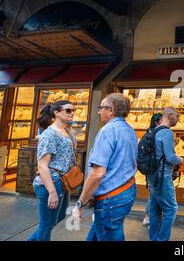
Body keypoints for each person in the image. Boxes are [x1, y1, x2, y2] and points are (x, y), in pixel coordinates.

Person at [72, 93, 138, 241]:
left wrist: (80, 203)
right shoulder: (129, 130)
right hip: (126, 191)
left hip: (111, 198)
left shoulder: (107, 131)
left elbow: (97, 174)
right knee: (99, 233)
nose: (99, 111)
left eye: (101, 107)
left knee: (110, 233)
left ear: (112, 110)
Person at [28, 100, 77, 241]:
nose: (72, 112)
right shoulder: (49, 134)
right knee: (46, 224)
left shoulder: (67, 131)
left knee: (58, 217)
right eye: (68, 110)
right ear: (56, 112)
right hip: (51, 182)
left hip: (63, 180)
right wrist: (52, 192)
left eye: (73, 110)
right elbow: (42, 166)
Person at [148, 107, 183, 241]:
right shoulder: (167, 133)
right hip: (163, 176)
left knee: (155, 210)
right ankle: (161, 239)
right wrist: (180, 159)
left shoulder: (154, 130)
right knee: (171, 209)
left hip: (152, 176)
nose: (178, 119)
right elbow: (170, 157)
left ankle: (153, 238)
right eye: (177, 116)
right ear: (169, 116)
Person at [143, 112, 163, 226]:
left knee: (154, 192)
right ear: (156, 122)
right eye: (161, 121)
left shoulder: (150, 132)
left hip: (151, 168)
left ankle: (152, 216)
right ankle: (148, 216)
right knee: (154, 193)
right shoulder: (155, 134)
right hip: (153, 169)